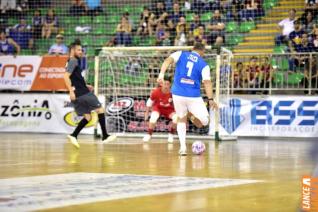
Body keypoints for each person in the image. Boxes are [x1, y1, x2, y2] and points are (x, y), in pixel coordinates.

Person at [157, 42, 217, 156]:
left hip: (177, 93)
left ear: (192, 49)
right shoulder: (204, 64)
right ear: (203, 52)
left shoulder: (181, 54)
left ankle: (183, 147)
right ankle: (188, 115)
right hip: (193, 95)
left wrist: (161, 74)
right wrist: (210, 99)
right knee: (205, 121)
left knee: (181, 119)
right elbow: (207, 82)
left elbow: (167, 60)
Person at [63, 41, 116, 148]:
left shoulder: (70, 61)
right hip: (82, 93)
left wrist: (85, 85)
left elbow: (74, 77)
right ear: (72, 50)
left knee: (87, 117)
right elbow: (65, 77)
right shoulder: (73, 61)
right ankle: (105, 135)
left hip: (79, 92)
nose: (81, 52)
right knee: (100, 110)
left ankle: (74, 135)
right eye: (78, 50)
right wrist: (71, 91)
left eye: (81, 50)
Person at [143, 76, 177, 143]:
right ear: (162, 84)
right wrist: (146, 113)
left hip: (169, 110)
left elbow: (178, 103)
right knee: (153, 118)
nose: (166, 86)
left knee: (176, 118)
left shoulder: (174, 93)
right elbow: (149, 102)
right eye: (165, 84)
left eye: (168, 84)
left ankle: (171, 134)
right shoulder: (156, 92)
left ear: (170, 85)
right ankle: (149, 134)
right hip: (158, 108)